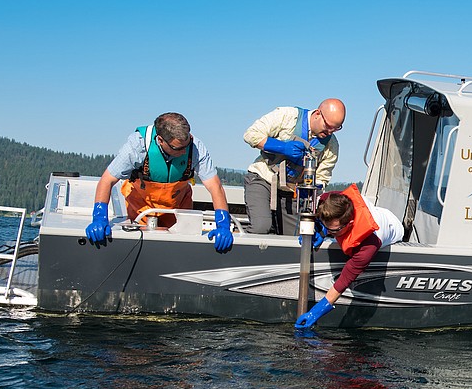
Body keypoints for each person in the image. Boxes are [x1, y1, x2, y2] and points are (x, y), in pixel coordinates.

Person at [85, 112, 234, 252]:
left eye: (186, 145)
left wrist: (223, 224)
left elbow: (215, 187)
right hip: (142, 207)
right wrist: (99, 218)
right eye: (178, 148)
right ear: (160, 140)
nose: (184, 151)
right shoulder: (137, 145)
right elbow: (107, 180)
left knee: (179, 248)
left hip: (178, 206)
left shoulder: (195, 147)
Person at [294, 184, 403, 330]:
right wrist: (318, 229)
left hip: (393, 227)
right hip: (371, 210)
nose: (331, 234)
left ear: (349, 224)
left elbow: (343, 281)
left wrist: (315, 312)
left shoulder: (369, 245)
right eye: (328, 228)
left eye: (334, 230)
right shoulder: (332, 200)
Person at [242, 99, 345, 235]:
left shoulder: (331, 146)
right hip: (263, 178)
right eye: (328, 126)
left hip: (293, 192)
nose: (330, 132)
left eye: (336, 128)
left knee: (299, 237)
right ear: (318, 113)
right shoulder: (288, 116)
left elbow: (321, 178)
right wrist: (282, 147)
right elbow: (251, 135)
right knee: (261, 227)